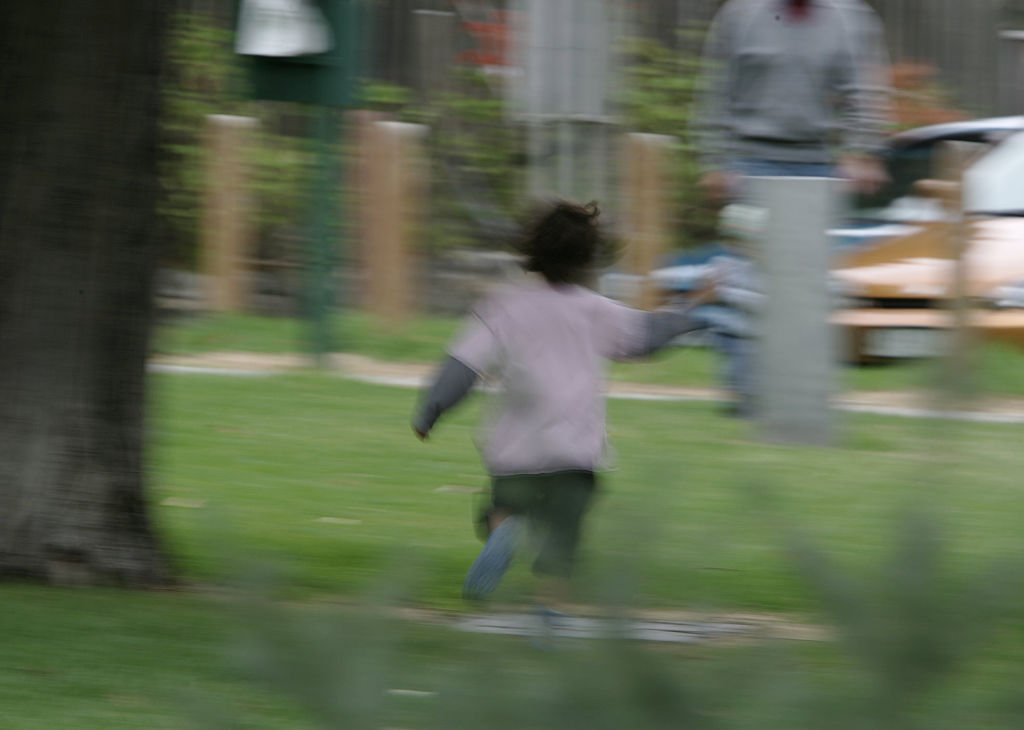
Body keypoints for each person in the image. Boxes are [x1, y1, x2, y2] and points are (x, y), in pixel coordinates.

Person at [412, 201, 710, 615]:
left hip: (515, 451)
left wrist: (431, 409)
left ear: (530, 249)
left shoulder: (503, 306)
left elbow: (462, 367)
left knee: (503, 506)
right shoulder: (594, 310)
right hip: (575, 449)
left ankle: (505, 528)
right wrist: (690, 317)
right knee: (563, 535)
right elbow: (648, 335)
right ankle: (549, 612)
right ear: (588, 259)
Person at [692, 0, 891, 414]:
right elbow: (715, 93)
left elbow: (864, 92)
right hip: (748, 168)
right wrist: (713, 162)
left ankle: (802, 394)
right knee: (744, 282)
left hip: (817, 168)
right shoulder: (739, 16)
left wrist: (862, 150)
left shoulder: (850, 19)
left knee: (807, 285)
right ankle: (746, 394)